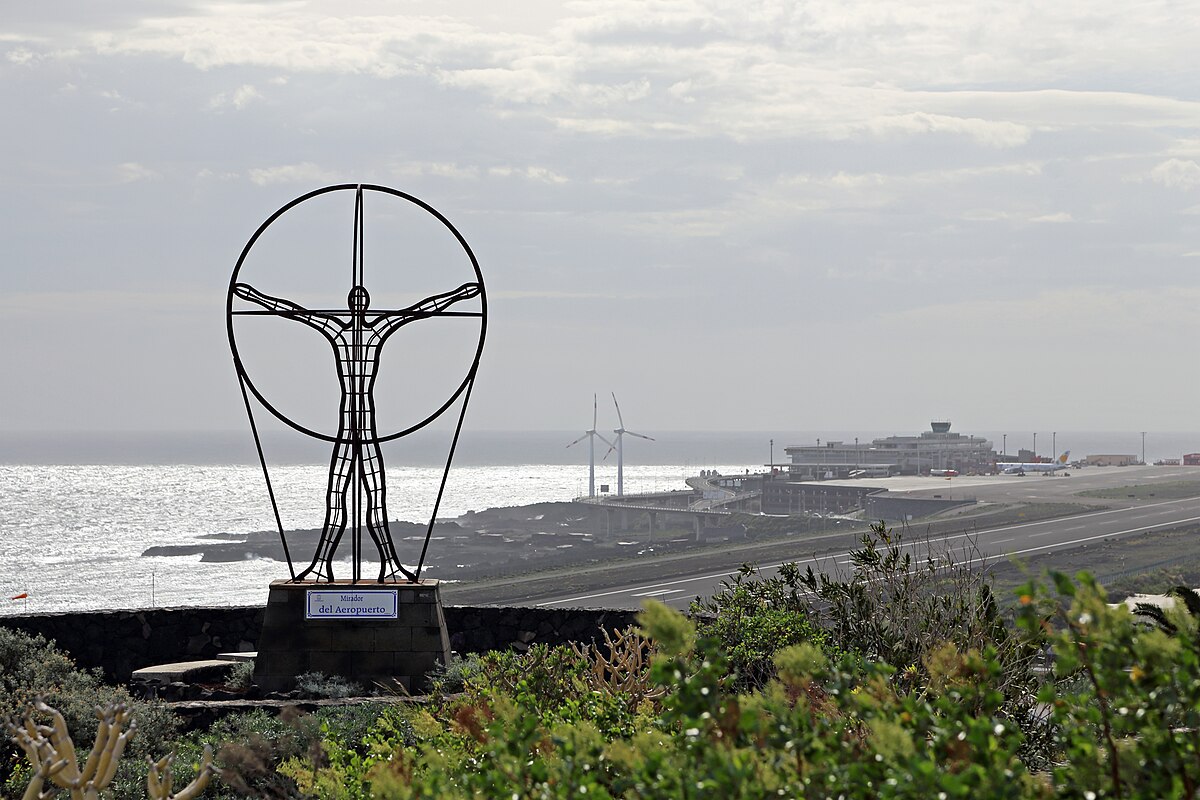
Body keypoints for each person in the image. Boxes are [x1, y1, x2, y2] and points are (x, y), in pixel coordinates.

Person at [234, 280, 481, 582]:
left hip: (366, 429)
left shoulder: (378, 329)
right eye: (355, 297)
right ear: (351, 302)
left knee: (376, 501)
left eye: (363, 298)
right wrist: (253, 297)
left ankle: (389, 565)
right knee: (336, 500)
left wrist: (459, 295)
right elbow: (292, 312)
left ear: (367, 303)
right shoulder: (336, 330)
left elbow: (420, 311)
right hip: (347, 427)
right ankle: (321, 566)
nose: (359, 302)